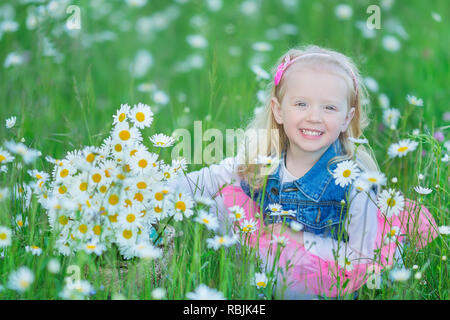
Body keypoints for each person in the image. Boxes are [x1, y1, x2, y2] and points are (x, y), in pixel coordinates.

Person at [168, 44, 438, 299]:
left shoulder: (354, 181)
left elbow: (363, 256)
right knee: (219, 203)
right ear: (278, 111)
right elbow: (209, 178)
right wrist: (158, 193)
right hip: (272, 256)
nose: (314, 117)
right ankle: (239, 286)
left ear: (347, 118)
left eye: (329, 107)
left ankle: (262, 282)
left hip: (329, 272)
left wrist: (298, 240)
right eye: (301, 104)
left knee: (290, 272)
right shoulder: (266, 157)